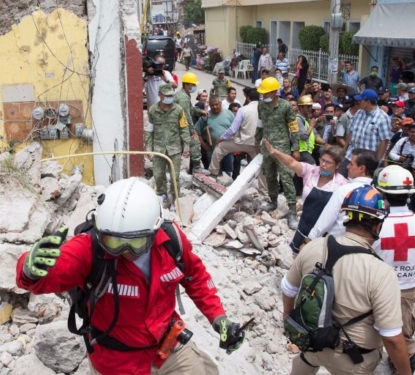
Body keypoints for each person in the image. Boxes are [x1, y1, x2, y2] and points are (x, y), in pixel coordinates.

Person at [16, 178, 245, 374]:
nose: (124, 252)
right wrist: (29, 269)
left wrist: (218, 318)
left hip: (168, 346)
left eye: (135, 243)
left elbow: (195, 277)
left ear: (154, 230)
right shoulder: (89, 250)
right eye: (114, 243)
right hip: (117, 361)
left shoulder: (171, 241)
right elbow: (47, 276)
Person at [282, 185, 412, 375]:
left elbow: (288, 287)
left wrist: (288, 317)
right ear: (378, 225)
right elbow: (391, 336)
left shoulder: (314, 247)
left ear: (347, 217)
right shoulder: (381, 272)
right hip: (354, 359)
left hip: (312, 344)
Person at [374, 165, 415, 372]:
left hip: (374, 288)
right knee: (403, 334)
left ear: (382, 193)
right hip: (406, 289)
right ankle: (402, 365)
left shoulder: (375, 223)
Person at [261, 137, 348, 253]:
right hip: (304, 225)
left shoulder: (342, 185)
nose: (323, 165)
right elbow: (292, 162)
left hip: (324, 232)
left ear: (337, 165)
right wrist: (275, 152)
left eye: (328, 162)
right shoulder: (311, 171)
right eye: (322, 160)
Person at [255, 77, 301, 229]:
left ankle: (292, 212)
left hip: (282, 150)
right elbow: (260, 125)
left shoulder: (285, 106)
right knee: (270, 176)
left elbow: (293, 128)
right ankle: (273, 201)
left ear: (275, 92)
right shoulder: (261, 106)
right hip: (267, 148)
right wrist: (257, 142)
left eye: (266, 93)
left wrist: (295, 148)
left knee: (286, 180)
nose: (263, 96)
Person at [306, 149, 377, 242]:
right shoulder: (377, 195)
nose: (347, 167)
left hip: (335, 243)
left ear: (361, 169)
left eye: (351, 164)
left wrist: (309, 239)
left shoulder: (344, 190)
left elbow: (326, 219)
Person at [145, 84, 192, 206]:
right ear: (160, 95)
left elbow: (184, 128)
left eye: (171, 95)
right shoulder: (153, 110)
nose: (170, 98)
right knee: (158, 175)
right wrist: (148, 149)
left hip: (174, 149)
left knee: (175, 177)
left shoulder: (178, 110)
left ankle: (175, 199)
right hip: (159, 148)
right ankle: (163, 196)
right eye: (167, 95)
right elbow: (149, 131)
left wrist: (186, 146)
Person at [209, 89, 262, 180]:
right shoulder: (265, 109)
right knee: (260, 164)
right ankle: (264, 188)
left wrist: (221, 138)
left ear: (248, 98)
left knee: (220, 147)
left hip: (242, 142)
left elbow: (233, 129)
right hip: (257, 144)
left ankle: (213, 173)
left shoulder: (243, 110)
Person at [340, 89, 392, 178]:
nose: (358, 102)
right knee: (340, 177)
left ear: (367, 102)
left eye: (360, 100)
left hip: (367, 161)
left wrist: (377, 161)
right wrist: (343, 151)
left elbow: (384, 141)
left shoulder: (383, 117)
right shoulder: (359, 112)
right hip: (351, 156)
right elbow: (351, 132)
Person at [173, 72, 206, 174]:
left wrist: (201, 112)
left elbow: (191, 108)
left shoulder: (184, 94)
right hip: (177, 126)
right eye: (193, 85)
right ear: (187, 85)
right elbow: (186, 115)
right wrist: (192, 131)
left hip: (178, 125)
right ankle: (196, 167)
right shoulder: (183, 97)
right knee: (195, 142)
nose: (195, 87)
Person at [196, 96, 235, 177]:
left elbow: (235, 128)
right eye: (212, 105)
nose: (215, 107)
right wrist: (204, 145)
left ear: (220, 103)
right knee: (214, 173)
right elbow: (196, 131)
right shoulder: (206, 116)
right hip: (212, 150)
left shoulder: (229, 114)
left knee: (227, 173)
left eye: (216, 104)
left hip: (227, 150)